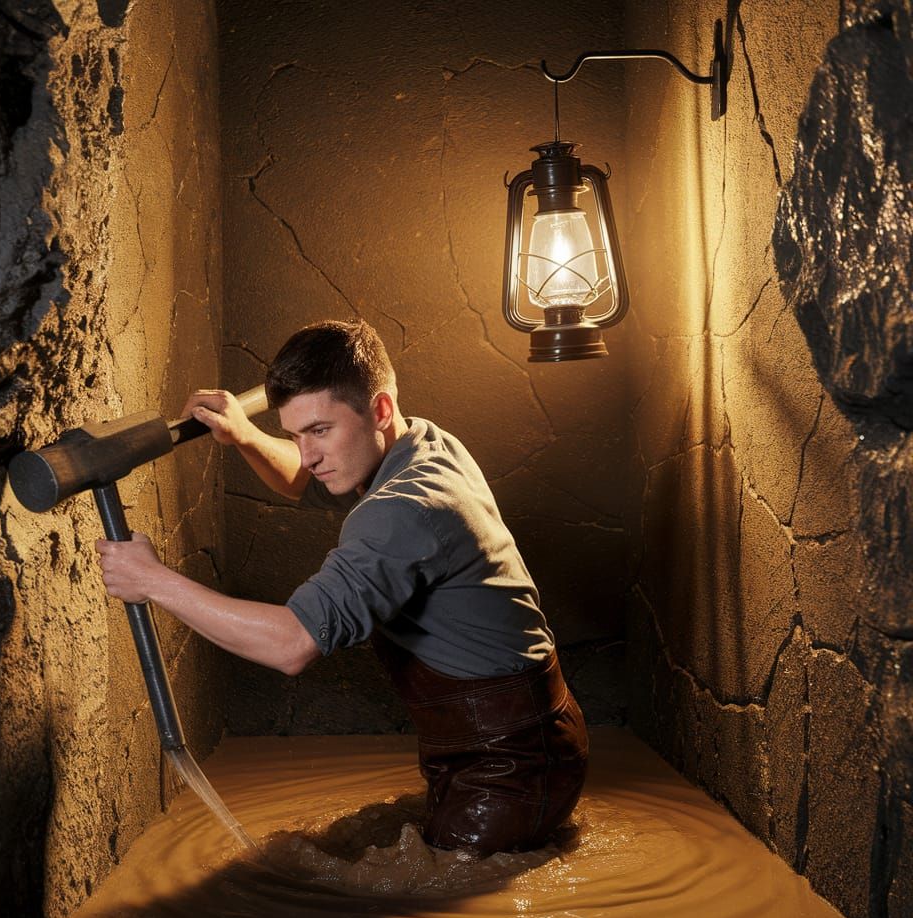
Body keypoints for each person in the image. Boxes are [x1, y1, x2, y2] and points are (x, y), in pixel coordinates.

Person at [96, 320, 588, 856]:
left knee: (420, 917)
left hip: (509, 768)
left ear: (378, 409)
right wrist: (243, 435)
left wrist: (149, 579)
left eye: (320, 430)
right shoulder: (421, 442)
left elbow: (290, 645)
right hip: (525, 740)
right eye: (295, 434)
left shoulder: (405, 510)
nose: (307, 454)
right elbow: (302, 478)